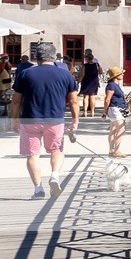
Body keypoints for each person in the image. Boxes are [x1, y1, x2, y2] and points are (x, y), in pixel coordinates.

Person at [12, 42, 79, 198]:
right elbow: (74, 101)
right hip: (55, 120)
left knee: (32, 155)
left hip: (29, 120)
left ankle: (38, 189)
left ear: (37, 58)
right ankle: (55, 176)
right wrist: (75, 121)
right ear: (54, 57)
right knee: (57, 150)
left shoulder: (25, 74)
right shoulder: (65, 75)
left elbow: (16, 100)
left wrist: (14, 119)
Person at [103, 65, 128, 157]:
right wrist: (104, 111)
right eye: (121, 73)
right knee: (121, 129)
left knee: (113, 129)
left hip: (116, 108)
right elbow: (107, 99)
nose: (123, 75)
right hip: (115, 108)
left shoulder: (114, 85)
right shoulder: (112, 85)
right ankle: (116, 150)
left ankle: (112, 149)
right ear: (116, 75)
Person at [77, 49, 102, 114]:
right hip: (94, 81)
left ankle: (85, 112)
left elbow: (82, 74)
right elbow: (101, 72)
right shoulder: (97, 65)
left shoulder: (85, 65)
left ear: (87, 59)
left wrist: (79, 81)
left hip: (86, 81)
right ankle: (92, 112)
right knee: (93, 97)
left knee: (85, 97)